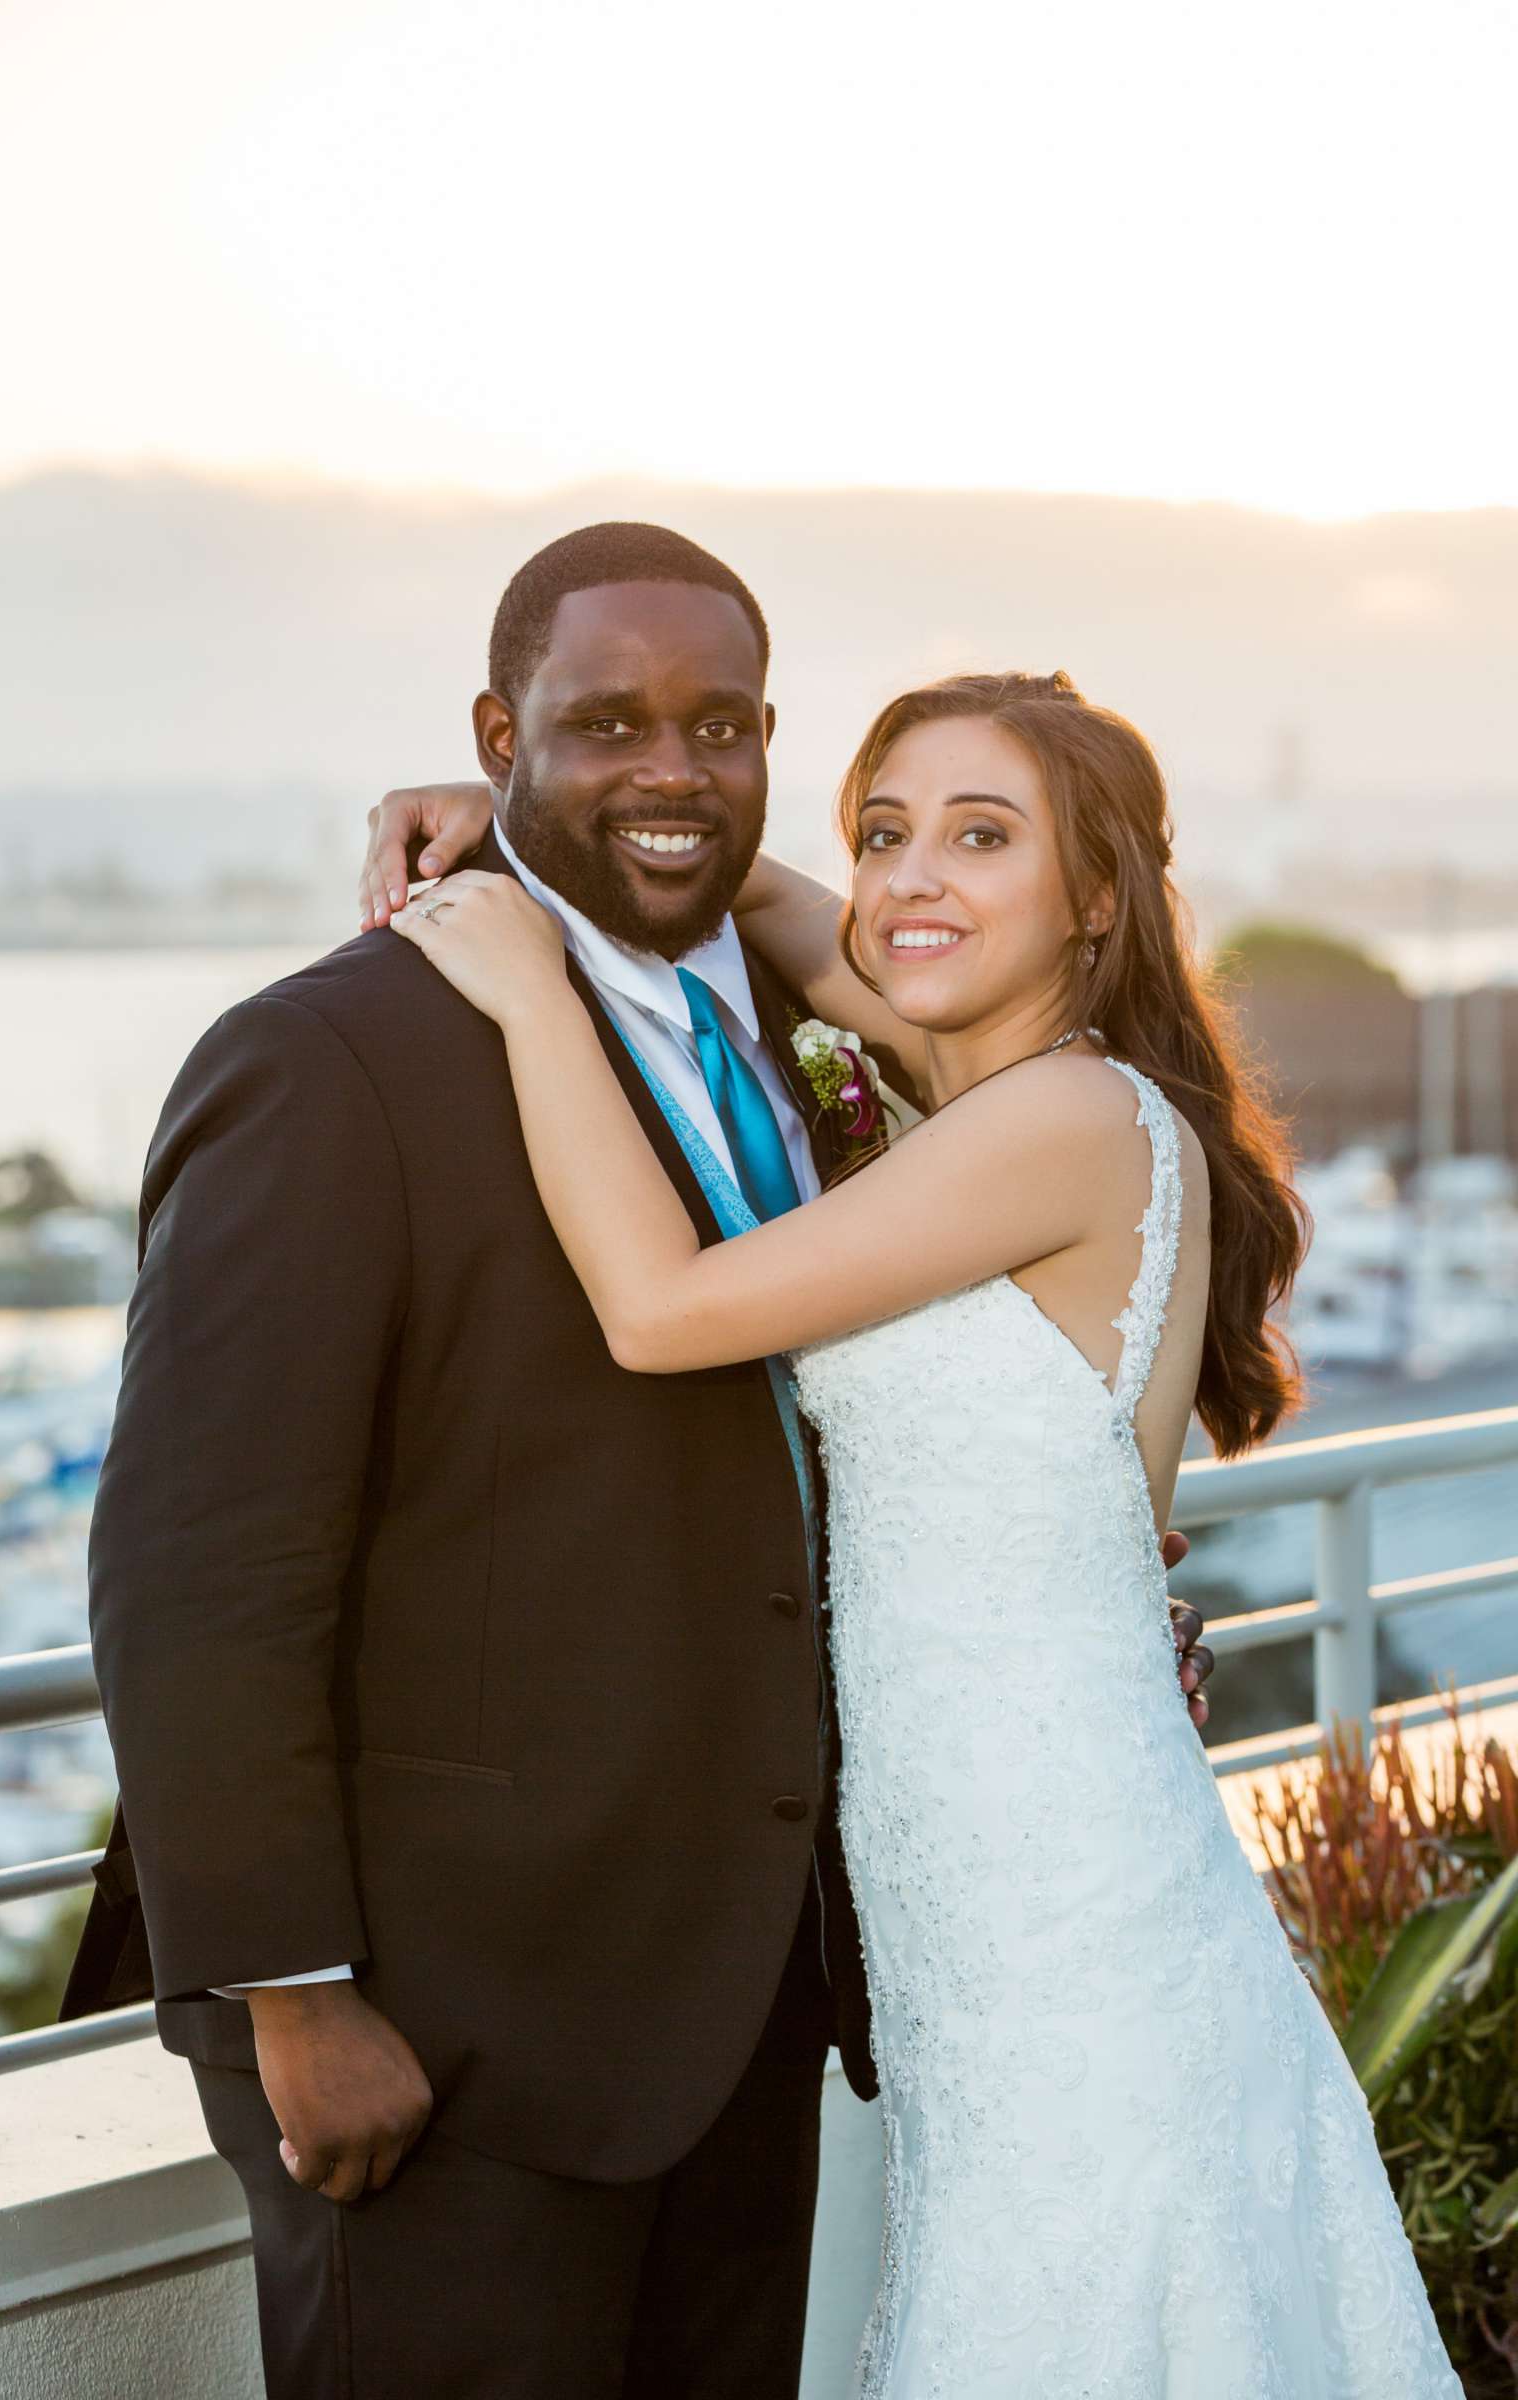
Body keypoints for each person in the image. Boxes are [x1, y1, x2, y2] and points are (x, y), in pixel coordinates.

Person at [62, 523, 1213, 2400]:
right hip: (452, 2023)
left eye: (722, 727)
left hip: (743, 1999)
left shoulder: (828, 1054)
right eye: (606, 724)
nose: (673, 769)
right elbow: (200, 1565)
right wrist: (288, 1989)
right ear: (502, 729)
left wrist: (565, 802)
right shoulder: (333, 1063)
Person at [388, 665, 1463, 2396]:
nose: (910, 880)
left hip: (1055, 1904)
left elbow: (662, 1310)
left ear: (1096, 896)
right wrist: (490, 813)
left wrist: (526, 989)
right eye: (885, 832)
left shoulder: (1061, 1119)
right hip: (993, 1892)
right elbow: (767, 893)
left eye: (983, 835)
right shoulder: (998, 1084)